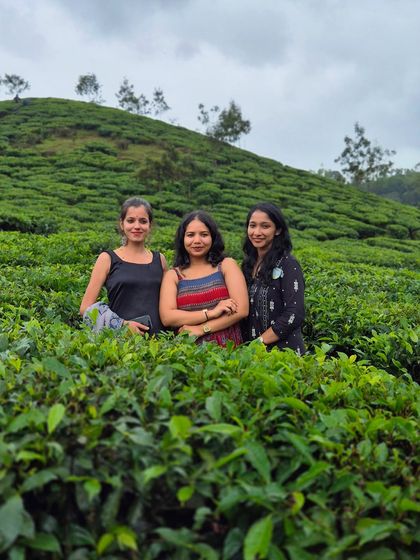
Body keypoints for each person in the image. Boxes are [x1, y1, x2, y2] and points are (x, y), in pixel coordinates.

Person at [159, 210, 248, 346]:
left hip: (229, 353)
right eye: (190, 235)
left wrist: (201, 329)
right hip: (188, 353)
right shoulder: (174, 276)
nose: (197, 241)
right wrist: (211, 313)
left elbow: (241, 310)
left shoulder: (226, 265)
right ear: (182, 239)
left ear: (213, 237)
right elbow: (168, 317)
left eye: (204, 235)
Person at [80, 197, 167, 335]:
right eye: (130, 220)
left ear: (150, 225)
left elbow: (167, 304)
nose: (137, 226)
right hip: (120, 344)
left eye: (143, 221)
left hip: (159, 345)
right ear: (122, 224)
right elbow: (85, 307)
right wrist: (122, 325)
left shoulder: (160, 260)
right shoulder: (107, 259)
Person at [241, 202, 305, 354]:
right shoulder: (247, 265)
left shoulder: (288, 264)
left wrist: (260, 342)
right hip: (253, 355)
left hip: (284, 355)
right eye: (252, 225)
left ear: (278, 230)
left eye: (265, 226)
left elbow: (294, 313)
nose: (256, 232)